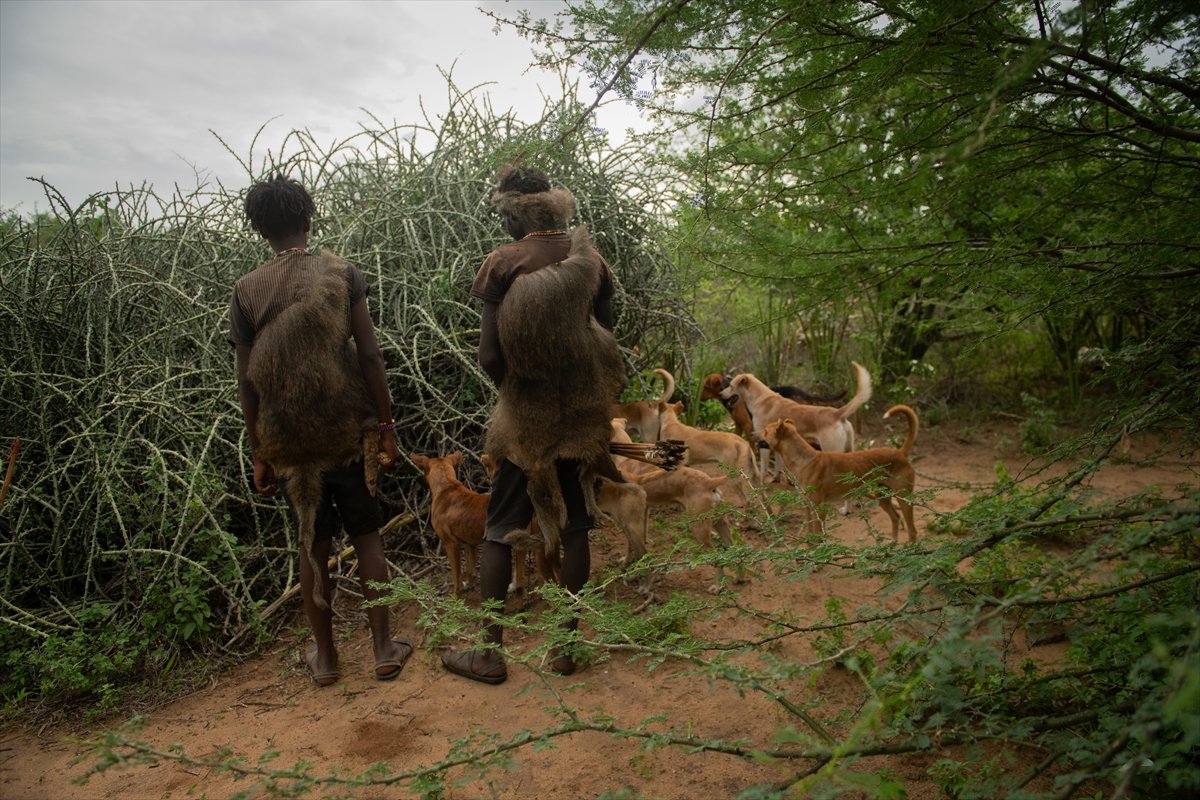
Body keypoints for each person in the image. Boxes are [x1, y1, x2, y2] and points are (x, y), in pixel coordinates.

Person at [229, 174, 412, 686]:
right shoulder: (342, 273)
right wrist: (386, 423)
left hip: (288, 439)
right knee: (367, 534)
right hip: (344, 430)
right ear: (309, 217)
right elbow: (370, 355)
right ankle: (382, 649)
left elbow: (248, 382)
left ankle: (327, 658)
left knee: (311, 541)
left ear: (260, 229)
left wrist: (259, 449)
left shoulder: (245, 291)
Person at [440, 165, 616, 685]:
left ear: (512, 213)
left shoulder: (503, 262)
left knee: (499, 529)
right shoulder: (591, 260)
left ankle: (490, 653)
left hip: (526, 418)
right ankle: (564, 645)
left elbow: (490, 354)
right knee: (577, 523)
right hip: (582, 415)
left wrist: (515, 393)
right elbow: (605, 334)